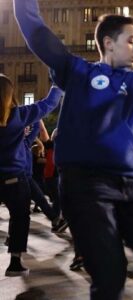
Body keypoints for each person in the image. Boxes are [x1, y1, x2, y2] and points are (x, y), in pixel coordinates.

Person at [13, 0, 133, 298]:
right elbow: (34, 29)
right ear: (108, 43)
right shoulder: (76, 71)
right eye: (132, 41)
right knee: (110, 274)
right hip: (85, 186)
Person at [0, 76, 63, 276]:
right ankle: (15, 262)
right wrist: (58, 84)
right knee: (20, 217)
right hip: (15, 178)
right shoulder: (19, 115)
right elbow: (48, 104)